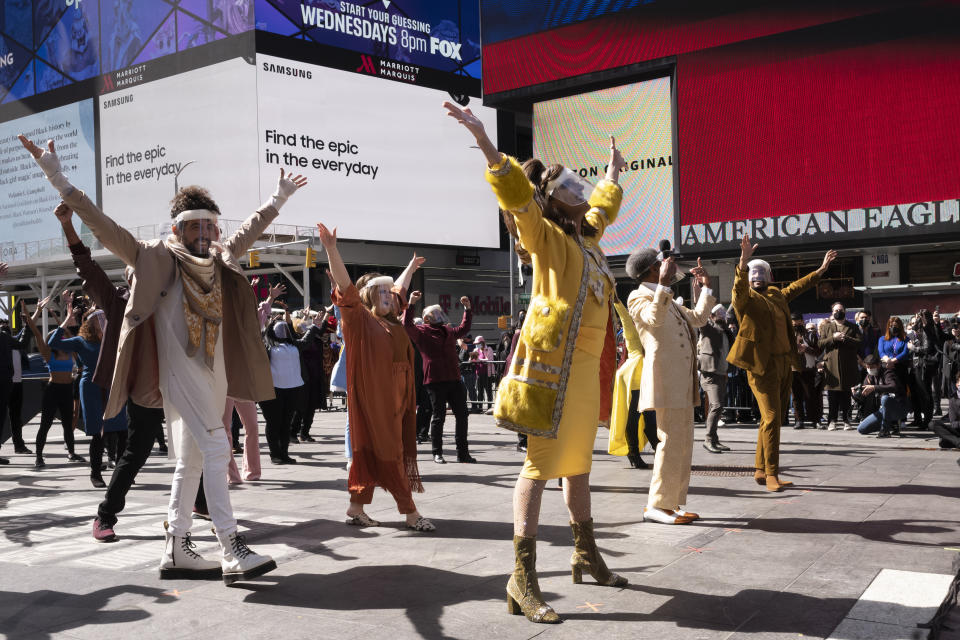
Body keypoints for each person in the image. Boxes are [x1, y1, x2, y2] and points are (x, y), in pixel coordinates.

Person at [19, 134, 300, 584]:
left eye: (210, 226)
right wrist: (57, 177)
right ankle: (231, 546)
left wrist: (277, 199)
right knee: (216, 444)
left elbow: (247, 231)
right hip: (173, 370)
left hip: (213, 370)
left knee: (190, 459)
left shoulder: (222, 256)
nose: (205, 235)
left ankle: (176, 548)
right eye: (195, 227)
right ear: (176, 229)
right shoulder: (152, 255)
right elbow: (101, 224)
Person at [445, 100, 628, 624]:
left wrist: (613, 172)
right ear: (556, 200)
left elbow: (604, 208)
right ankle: (521, 577)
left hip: (587, 374)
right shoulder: (546, 238)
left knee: (579, 466)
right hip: (552, 379)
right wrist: (485, 142)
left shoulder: (587, 240)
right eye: (573, 186)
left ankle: (584, 554)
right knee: (541, 468)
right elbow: (518, 197)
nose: (583, 192)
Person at [317, 222, 434, 532]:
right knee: (391, 453)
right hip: (376, 400)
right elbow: (345, 290)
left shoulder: (391, 319)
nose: (388, 296)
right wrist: (331, 249)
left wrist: (409, 267)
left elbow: (400, 290)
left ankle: (355, 509)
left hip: (396, 399)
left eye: (389, 292)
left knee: (368, 454)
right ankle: (410, 512)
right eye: (381, 292)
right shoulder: (359, 321)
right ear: (369, 297)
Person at [727, 235, 836, 492]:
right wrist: (742, 262)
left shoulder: (775, 294)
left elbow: (795, 288)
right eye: (753, 273)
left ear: (769, 276)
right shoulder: (747, 300)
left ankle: (760, 469)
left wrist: (819, 271)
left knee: (770, 420)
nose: (757, 276)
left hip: (785, 363)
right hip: (760, 366)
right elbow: (738, 293)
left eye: (761, 272)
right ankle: (772, 473)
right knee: (773, 417)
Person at [626, 247, 715, 523]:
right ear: (653, 269)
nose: (669, 264)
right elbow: (655, 319)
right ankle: (656, 505)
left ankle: (672, 502)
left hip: (681, 380)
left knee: (683, 443)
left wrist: (706, 288)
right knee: (668, 442)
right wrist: (664, 285)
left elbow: (699, 319)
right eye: (662, 262)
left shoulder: (668, 297)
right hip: (665, 379)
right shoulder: (638, 295)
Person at [48, 295, 129, 488]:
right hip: (92, 388)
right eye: (99, 321)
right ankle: (95, 474)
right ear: (91, 325)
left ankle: (122, 473)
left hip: (112, 387)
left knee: (122, 431)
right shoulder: (81, 341)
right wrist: (66, 321)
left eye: (104, 321)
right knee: (98, 434)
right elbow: (53, 342)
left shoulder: (113, 340)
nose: (103, 324)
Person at [403, 290, 475, 464]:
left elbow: (463, 329)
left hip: (454, 377)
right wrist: (411, 303)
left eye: (439, 311)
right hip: (435, 380)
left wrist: (467, 309)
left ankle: (462, 453)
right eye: (435, 312)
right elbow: (407, 325)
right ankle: (437, 452)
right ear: (427, 318)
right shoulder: (421, 331)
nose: (439, 314)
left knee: (462, 415)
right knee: (438, 416)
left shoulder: (447, 330)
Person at [22, 297, 86, 468]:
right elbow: (34, 331)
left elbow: (71, 334)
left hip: (67, 389)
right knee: (46, 424)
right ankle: (39, 456)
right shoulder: (48, 352)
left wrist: (68, 312)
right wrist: (35, 311)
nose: (65, 337)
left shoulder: (71, 351)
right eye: (62, 336)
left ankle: (71, 453)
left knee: (68, 422)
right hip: (53, 390)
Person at [608, 301, 659, 469]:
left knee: (650, 419)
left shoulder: (650, 329)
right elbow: (624, 316)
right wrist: (616, 299)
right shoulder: (632, 328)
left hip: (646, 379)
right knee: (635, 419)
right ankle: (634, 453)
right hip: (634, 379)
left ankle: (658, 451)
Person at [0, 265, 31, 465]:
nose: (4, 327)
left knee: (6, 418)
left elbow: (21, 342)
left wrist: (28, 323)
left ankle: (16, 445)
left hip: (8, 384)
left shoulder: (5, 339)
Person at [819, 302, 862, 431]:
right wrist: (833, 338)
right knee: (832, 396)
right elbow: (820, 343)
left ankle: (846, 420)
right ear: (832, 313)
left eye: (841, 310)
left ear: (845, 311)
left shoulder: (853, 327)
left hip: (847, 365)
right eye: (836, 310)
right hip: (831, 366)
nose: (838, 312)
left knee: (846, 395)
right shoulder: (827, 327)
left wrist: (845, 338)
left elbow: (859, 342)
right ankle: (832, 421)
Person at [697, 303, 734, 452]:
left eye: (723, 313)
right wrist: (699, 295)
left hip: (721, 373)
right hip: (710, 374)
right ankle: (708, 439)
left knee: (717, 407)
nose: (722, 314)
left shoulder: (726, 332)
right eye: (718, 313)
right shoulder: (708, 329)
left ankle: (714, 439)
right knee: (717, 405)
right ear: (711, 316)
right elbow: (701, 319)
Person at [855, 354, 907, 437]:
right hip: (883, 411)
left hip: (899, 408)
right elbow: (864, 389)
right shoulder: (870, 376)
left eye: (871, 367)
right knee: (861, 429)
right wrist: (856, 391)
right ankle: (891, 424)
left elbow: (893, 386)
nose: (869, 369)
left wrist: (875, 387)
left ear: (878, 365)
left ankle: (885, 430)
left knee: (885, 399)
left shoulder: (887, 373)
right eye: (867, 367)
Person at [912, 309, 947, 429]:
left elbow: (927, 349)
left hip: (924, 365)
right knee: (920, 393)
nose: (917, 319)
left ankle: (926, 420)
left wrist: (913, 348)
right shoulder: (922, 329)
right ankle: (920, 419)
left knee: (925, 393)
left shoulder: (928, 329)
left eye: (919, 317)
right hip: (920, 364)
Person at [791, 312, 820, 429]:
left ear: (803, 322)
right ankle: (799, 420)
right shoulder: (788, 335)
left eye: (798, 323)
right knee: (796, 396)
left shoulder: (810, 335)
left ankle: (814, 419)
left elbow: (818, 351)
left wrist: (806, 349)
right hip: (793, 369)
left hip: (808, 369)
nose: (797, 325)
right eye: (794, 323)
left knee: (810, 396)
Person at [933, 372, 960, 448]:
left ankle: (955, 441)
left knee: (944, 442)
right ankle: (958, 442)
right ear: (957, 385)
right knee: (934, 424)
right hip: (958, 429)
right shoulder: (953, 400)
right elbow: (953, 423)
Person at [475, 336, 496, 412]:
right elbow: (473, 359)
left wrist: (479, 360)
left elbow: (490, 359)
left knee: (488, 391)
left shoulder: (489, 349)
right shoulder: (476, 350)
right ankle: (480, 407)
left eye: (478, 343)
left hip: (487, 373)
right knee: (480, 391)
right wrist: (472, 359)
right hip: (479, 373)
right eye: (476, 343)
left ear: (482, 343)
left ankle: (489, 407)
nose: (477, 345)